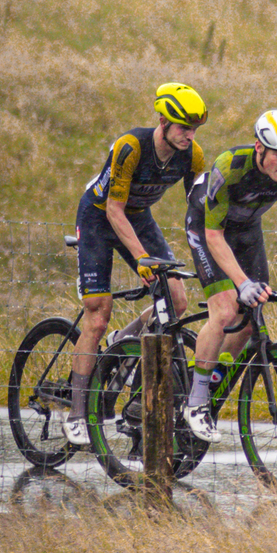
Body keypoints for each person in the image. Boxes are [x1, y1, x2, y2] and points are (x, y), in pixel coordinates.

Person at [67, 84, 208, 447]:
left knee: (176, 300)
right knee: (97, 314)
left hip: (139, 217)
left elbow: (199, 213)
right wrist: (142, 258)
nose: (189, 135)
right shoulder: (130, 146)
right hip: (100, 216)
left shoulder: (192, 156)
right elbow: (114, 209)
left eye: (194, 128)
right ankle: (78, 412)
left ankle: (122, 341)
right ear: (162, 120)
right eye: (182, 127)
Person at [180, 108, 277, 438]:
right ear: (259, 148)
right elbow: (213, 235)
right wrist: (242, 282)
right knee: (224, 310)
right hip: (208, 228)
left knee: (250, 320)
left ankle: (211, 381)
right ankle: (196, 400)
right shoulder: (229, 167)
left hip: (247, 228)